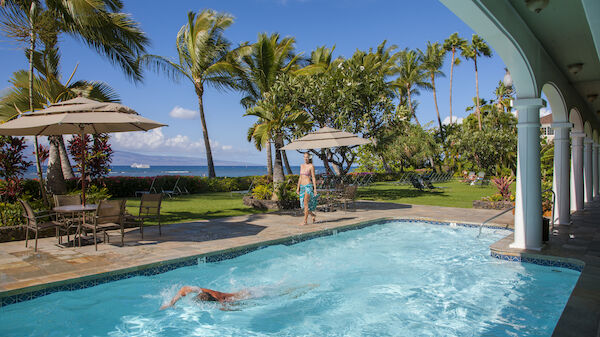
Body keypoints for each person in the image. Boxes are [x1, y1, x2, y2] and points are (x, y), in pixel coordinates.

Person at [160, 286, 251, 310]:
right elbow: (184, 289)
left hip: (230, 296)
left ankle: (247, 292)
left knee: (239, 297)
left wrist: (225, 308)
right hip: (219, 297)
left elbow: (224, 304)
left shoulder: (218, 297)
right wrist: (171, 303)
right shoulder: (196, 290)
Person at [296, 152, 318, 225]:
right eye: (304, 157)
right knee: (303, 205)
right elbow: (300, 177)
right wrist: (298, 187)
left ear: (309, 158)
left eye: (307, 157)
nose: (305, 158)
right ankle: (312, 215)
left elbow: (313, 178)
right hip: (302, 187)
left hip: (308, 186)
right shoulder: (301, 166)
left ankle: (305, 221)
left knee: (305, 204)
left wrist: (315, 189)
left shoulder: (311, 166)